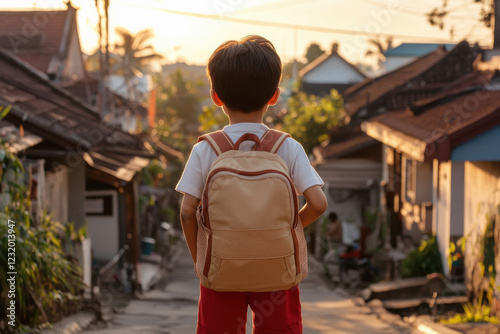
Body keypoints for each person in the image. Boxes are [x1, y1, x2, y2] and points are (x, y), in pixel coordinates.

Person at [176, 35, 328, 334]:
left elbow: (186, 213)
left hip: (221, 268)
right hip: (276, 267)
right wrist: (287, 231)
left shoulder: (205, 149)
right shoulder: (288, 147)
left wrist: (202, 261)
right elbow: (319, 204)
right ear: (274, 95)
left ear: (215, 96)